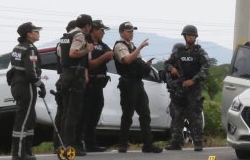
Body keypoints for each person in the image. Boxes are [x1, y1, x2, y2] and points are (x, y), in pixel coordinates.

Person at [112, 22, 163, 153]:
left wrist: (145, 66)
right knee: (127, 115)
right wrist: (140, 47)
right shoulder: (120, 45)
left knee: (145, 114)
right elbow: (127, 60)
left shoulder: (132, 46)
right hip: (128, 83)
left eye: (132, 31)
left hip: (138, 83)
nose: (131, 33)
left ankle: (148, 144)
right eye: (128, 31)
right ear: (122, 32)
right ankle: (122, 144)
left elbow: (135, 63)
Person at [165, 25, 211, 151]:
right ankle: (176, 142)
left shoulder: (200, 52)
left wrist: (194, 80)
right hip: (180, 89)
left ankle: (197, 143)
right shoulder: (178, 52)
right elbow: (167, 64)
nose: (191, 38)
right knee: (177, 116)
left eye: (193, 36)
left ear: (196, 37)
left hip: (194, 89)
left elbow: (206, 68)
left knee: (195, 116)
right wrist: (171, 68)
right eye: (188, 35)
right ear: (185, 37)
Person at [55, 14, 94, 155]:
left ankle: (62, 145)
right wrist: (87, 50)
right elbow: (73, 53)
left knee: (65, 111)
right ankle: (70, 146)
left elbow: (61, 54)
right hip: (74, 76)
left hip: (65, 75)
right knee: (73, 112)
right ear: (88, 25)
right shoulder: (79, 35)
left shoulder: (66, 35)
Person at [8, 22, 43, 160]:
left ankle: (27, 149)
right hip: (26, 85)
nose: (38, 33)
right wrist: (40, 84)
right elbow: (31, 72)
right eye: (36, 31)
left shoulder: (17, 47)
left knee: (30, 118)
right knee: (23, 119)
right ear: (29, 33)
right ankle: (19, 152)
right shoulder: (30, 49)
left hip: (17, 84)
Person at [81, 20, 115, 153]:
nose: (103, 32)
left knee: (96, 112)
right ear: (93, 30)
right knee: (86, 114)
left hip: (99, 84)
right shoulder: (87, 43)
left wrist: (108, 55)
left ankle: (91, 143)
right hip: (89, 82)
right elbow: (89, 65)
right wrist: (103, 57)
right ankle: (83, 142)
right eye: (101, 30)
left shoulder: (101, 45)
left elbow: (111, 54)